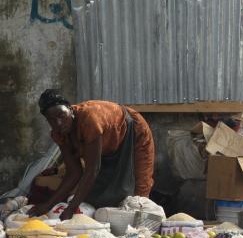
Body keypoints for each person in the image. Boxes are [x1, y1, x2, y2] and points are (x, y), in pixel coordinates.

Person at [28, 90, 156, 220]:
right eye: (52, 120)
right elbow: (74, 172)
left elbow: (92, 170)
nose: (59, 123)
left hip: (133, 131)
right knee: (100, 194)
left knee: (140, 188)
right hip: (108, 146)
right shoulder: (59, 133)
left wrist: (71, 208)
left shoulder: (89, 119)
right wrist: (48, 205)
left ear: (70, 109)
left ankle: (142, 229)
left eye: (61, 115)